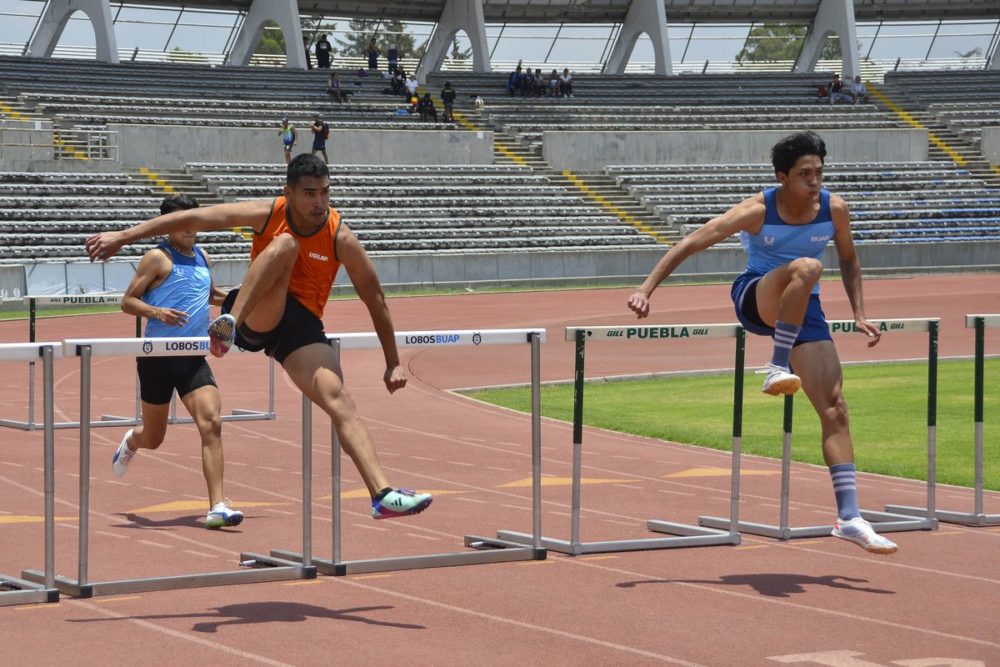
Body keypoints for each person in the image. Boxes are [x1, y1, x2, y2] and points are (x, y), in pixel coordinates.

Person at [86, 155, 433, 522]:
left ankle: (381, 494)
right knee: (286, 245)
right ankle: (229, 324)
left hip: (300, 328)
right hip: (255, 311)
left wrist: (393, 360)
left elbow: (374, 296)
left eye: (325, 192)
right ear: (289, 193)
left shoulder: (338, 234)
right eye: (310, 193)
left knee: (338, 399)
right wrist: (123, 237)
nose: (320, 202)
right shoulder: (269, 213)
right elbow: (191, 219)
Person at [625, 131, 898, 556]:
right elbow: (693, 241)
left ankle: (849, 518)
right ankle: (775, 364)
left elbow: (849, 259)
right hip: (757, 294)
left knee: (835, 408)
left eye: (819, 173)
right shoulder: (758, 209)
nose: (814, 182)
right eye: (804, 174)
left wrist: (860, 313)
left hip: (803, 307)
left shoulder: (834, 208)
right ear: (782, 176)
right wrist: (646, 289)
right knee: (807, 266)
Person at [112, 194, 243, 529]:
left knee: (211, 423)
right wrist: (157, 312)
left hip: (192, 357)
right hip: (157, 356)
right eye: (181, 222)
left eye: (193, 221)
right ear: (167, 225)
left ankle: (217, 505)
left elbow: (211, 296)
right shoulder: (157, 258)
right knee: (155, 437)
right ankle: (133, 441)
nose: (190, 229)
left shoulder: (202, 255)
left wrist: (238, 295)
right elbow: (127, 301)